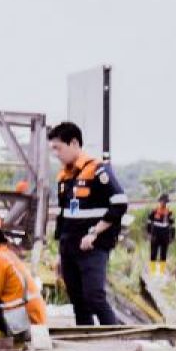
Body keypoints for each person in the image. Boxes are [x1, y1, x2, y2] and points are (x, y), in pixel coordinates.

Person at [49, 121, 127, 326]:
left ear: (74, 143)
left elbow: (119, 204)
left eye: (58, 148)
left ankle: (117, 344)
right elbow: (63, 217)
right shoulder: (65, 177)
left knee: (94, 297)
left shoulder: (98, 171)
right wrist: (59, 253)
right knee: (78, 302)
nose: (56, 153)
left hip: (92, 247)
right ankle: (87, 345)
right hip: (69, 247)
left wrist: (94, 232)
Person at [147, 194, 174, 278]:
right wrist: (149, 234)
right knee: (153, 253)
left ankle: (162, 272)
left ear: (167, 202)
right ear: (159, 201)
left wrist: (172, 237)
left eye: (165, 201)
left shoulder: (169, 212)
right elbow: (148, 222)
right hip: (155, 235)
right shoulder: (154, 211)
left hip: (165, 236)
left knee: (163, 254)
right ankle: (152, 272)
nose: (163, 203)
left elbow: (172, 226)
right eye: (162, 201)